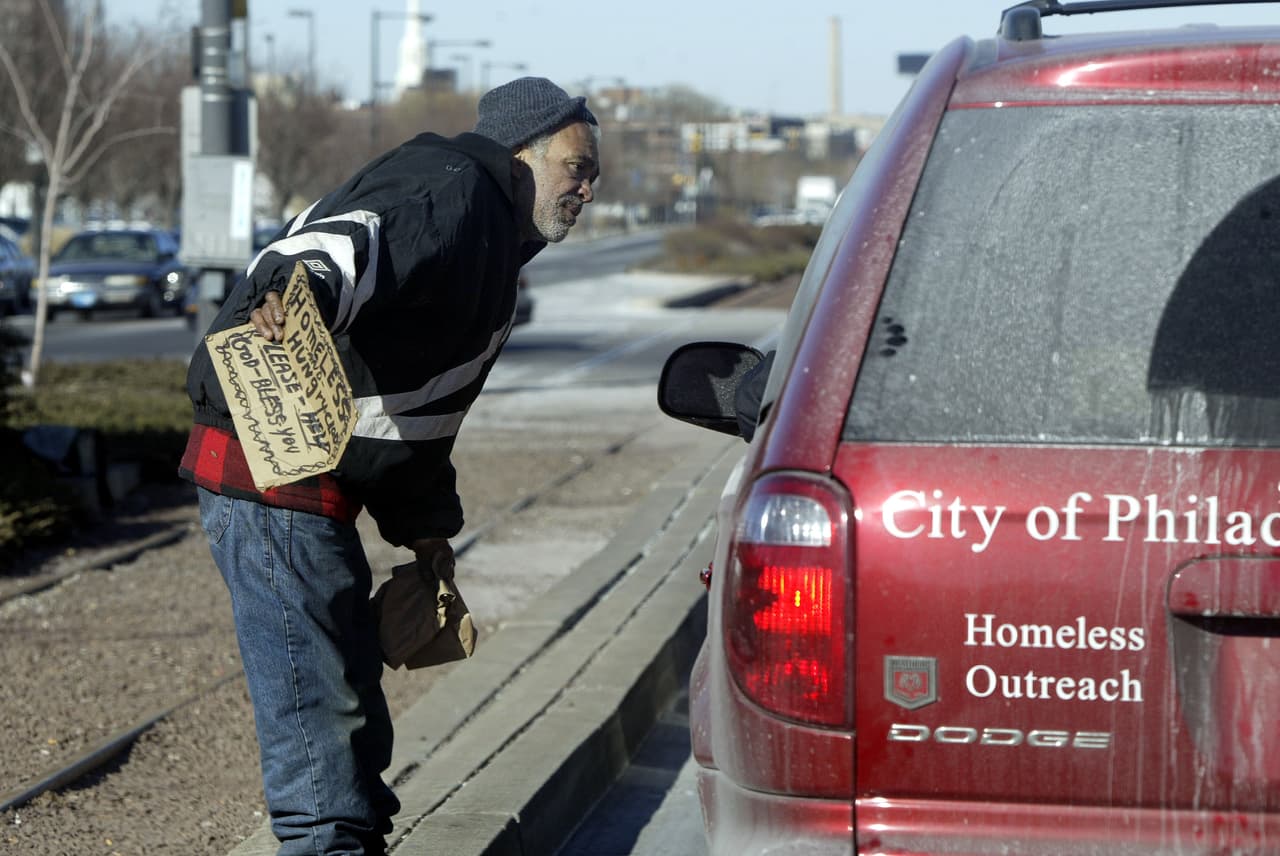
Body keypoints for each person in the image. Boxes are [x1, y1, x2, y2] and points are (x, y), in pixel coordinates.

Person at [179, 77, 600, 855]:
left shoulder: (492, 244)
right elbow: (348, 241)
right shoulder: (452, 186)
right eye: (577, 165)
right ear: (523, 152)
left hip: (307, 490)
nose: (586, 186)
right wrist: (289, 291)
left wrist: (427, 537)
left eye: (592, 174)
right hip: (270, 477)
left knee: (350, 725)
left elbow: (417, 416)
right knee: (322, 744)